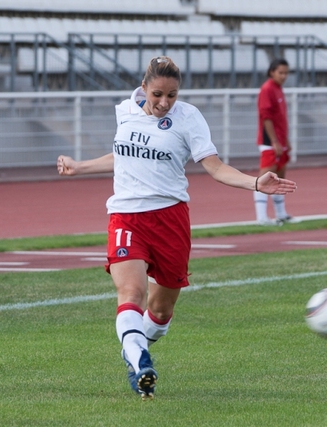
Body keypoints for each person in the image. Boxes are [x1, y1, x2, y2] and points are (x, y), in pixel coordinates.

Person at [56, 56, 297, 400]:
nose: (164, 103)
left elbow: (215, 168)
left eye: (172, 95)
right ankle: (140, 362)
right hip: (125, 216)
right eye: (157, 94)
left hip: (170, 219)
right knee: (131, 295)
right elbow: (124, 154)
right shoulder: (125, 109)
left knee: (161, 311)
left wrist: (255, 183)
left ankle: (135, 347)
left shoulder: (188, 118)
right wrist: (79, 166)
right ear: (144, 87)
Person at [254, 58, 294, 225]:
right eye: (280, 72)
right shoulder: (267, 89)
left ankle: (281, 213)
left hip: (280, 140)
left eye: (286, 73)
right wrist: (275, 141)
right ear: (272, 72)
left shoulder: (278, 89)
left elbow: (280, 119)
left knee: (279, 177)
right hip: (270, 141)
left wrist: (285, 140)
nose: (284, 76)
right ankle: (261, 217)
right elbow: (266, 117)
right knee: (265, 177)